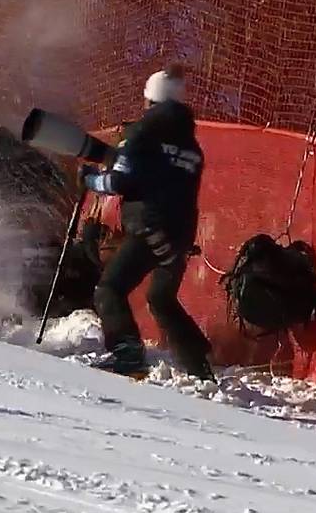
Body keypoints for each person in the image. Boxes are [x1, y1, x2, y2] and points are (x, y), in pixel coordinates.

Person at [77, 65, 214, 380]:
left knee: (109, 289)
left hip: (150, 230)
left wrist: (91, 180)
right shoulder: (192, 146)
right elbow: (161, 176)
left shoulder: (143, 134)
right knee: (160, 298)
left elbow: (123, 182)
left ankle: (129, 357)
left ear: (150, 101)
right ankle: (199, 364)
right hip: (180, 236)